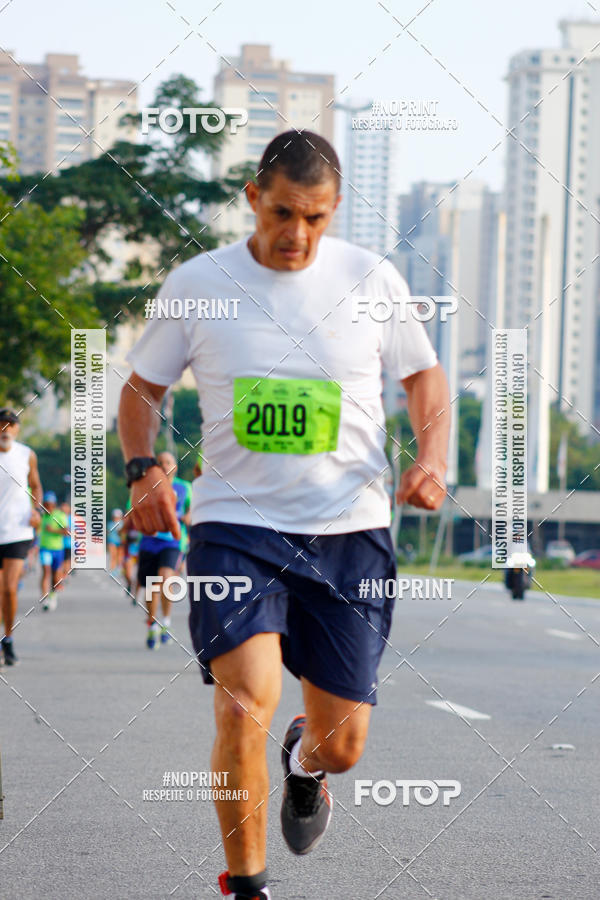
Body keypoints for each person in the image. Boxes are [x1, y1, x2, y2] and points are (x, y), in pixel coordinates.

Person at [118, 131, 450, 900]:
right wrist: (142, 473)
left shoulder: (371, 277)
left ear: (333, 211)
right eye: (283, 213)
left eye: (317, 217)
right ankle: (248, 885)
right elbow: (141, 390)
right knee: (242, 702)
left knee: (344, 745)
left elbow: (425, 376)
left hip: (350, 535)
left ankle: (305, 766)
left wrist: (431, 456)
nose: (298, 234)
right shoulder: (201, 283)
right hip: (236, 529)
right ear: (252, 199)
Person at [133, 452, 191, 649]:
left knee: (166, 579)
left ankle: (166, 621)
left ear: (175, 466)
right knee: (152, 586)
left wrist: (188, 518)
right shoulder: (146, 486)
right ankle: (152, 623)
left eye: (168, 462)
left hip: (173, 542)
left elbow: (192, 509)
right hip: (149, 541)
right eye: (160, 463)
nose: (164, 465)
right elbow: (133, 510)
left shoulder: (185, 487)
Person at [0, 407, 42, 666]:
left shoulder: (26, 454)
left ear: (17, 429)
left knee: (9, 588)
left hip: (17, 530)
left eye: (10, 425)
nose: (6, 430)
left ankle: (9, 637)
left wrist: (37, 510)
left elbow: (35, 485)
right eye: (2, 424)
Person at [39, 491, 68, 612]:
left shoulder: (59, 515)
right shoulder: (41, 516)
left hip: (58, 549)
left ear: (54, 504)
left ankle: (53, 595)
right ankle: (45, 598)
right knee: (46, 571)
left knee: (56, 577)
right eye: (46, 504)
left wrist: (52, 530)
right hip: (45, 548)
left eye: (50, 504)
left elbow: (66, 532)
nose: (48, 507)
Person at [107, 508, 124, 573]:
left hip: (120, 542)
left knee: (120, 556)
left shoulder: (123, 523)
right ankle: (112, 570)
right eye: (115, 517)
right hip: (112, 541)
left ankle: (118, 568)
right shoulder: (110, 524)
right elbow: (108, 533)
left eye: (118, 517)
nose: (116, 518)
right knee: (113, 556)